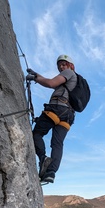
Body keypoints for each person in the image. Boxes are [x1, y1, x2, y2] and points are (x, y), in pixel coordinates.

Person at [26, 55, 77, 183]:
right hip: (68, 115)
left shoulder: (68, 73)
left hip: (56, 109)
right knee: (57, 144)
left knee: (37, 134)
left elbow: (50, 83)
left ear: (71, 66)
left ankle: (43, 159)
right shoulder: (72, 81)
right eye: (59, 65)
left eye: (64, 64)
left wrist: (34, 78)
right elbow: (51, 82)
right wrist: (36, 75)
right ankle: (51, 172)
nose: (61, 66)